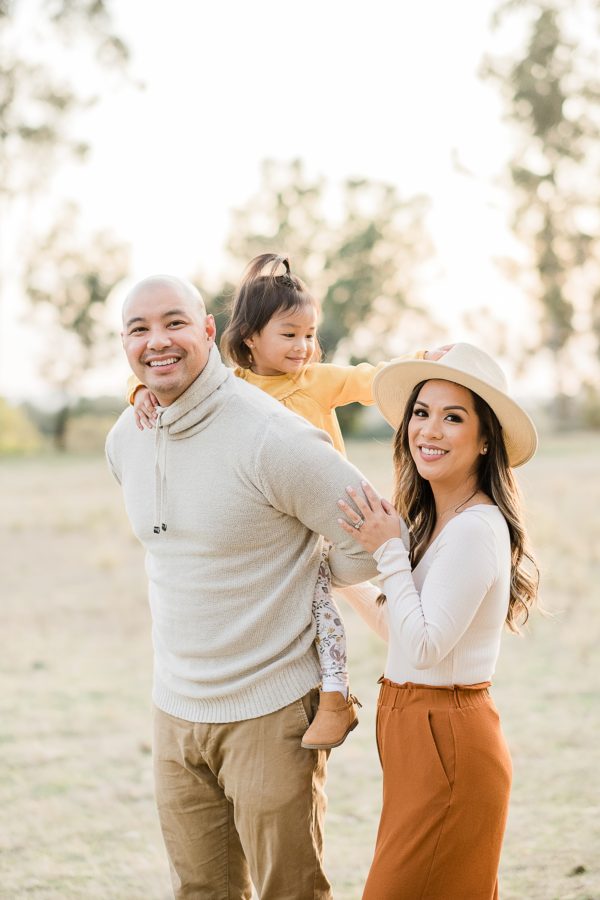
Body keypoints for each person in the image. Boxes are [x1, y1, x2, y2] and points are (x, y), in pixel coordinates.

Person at [105, 274, 380, 899]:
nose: (157, 341)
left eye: (175, 322)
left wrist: (299, 581)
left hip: (272, 710)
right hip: (174, 712)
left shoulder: (271, 435)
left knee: (291, 892)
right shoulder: (125, 440)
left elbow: (374, 538)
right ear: (124, 344)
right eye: (138, 329)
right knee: (201, 892)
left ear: (208, 331)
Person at [129, 253, 430, 751]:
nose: (303, 347)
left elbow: (370, 379)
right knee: (319, 607)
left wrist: (421, 360)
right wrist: (138, 388)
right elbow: (177, 380)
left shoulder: (317, 380)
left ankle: (382, 660)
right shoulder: (235, 388)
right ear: (249, 337)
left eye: (310, 334)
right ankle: (336, 696)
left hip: (333, 514)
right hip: (279, 523)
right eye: (289, 334)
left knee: (363, 590)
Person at [335, 343, 539, 900]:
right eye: (421, 413)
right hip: (417, 735)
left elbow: (424, 646)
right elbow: (406, 626)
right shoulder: (442, 521)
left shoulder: (475, 528)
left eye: (454, 417)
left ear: (486, 437)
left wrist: (388, 552)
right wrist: (342, 580)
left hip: (447, 740)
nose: (430, 429)